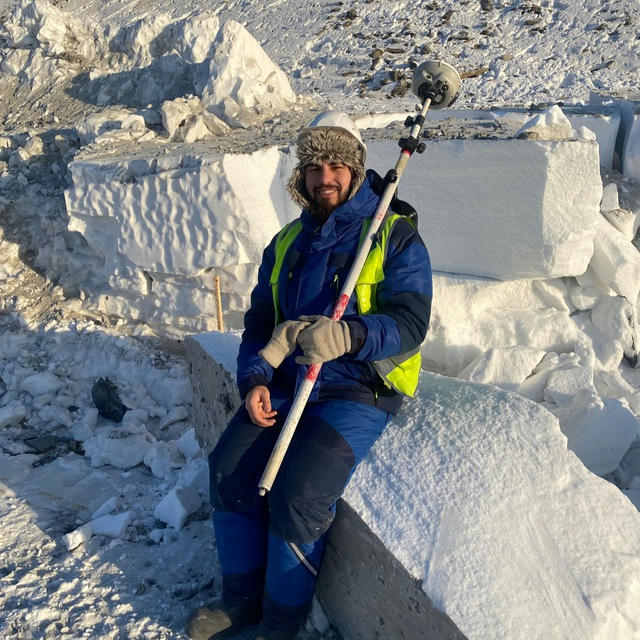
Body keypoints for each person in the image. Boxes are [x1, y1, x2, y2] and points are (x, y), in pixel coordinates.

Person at [186, 111, 432, 640]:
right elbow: (258, 324)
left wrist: (351, 337)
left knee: (296, 495)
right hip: (287, 384)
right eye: (316, 165)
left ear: (357, 171)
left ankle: (281, 621)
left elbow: (411, 321)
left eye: (338, 164)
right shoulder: (286, 244)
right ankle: (240, 601)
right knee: (229, 470)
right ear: (302, 175)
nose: (327, 175)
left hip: (357, 390)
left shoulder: (393, 235)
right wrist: (254, 379)